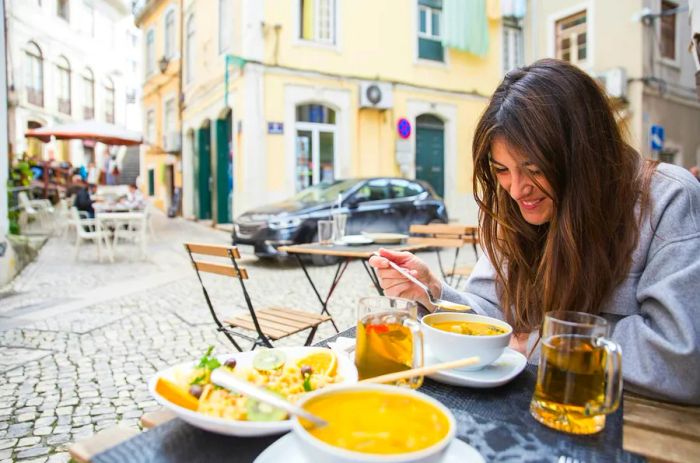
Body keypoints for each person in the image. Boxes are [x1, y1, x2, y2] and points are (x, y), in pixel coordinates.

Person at [370, 59, 700, 405]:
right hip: (528, 407)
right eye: (501, 170)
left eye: (535, 168)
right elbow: (492, 314)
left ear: (584, 154)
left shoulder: (669, 199)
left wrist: (539, 344)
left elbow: (680, 358)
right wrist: (433, 293)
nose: (516, 189)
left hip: (632, 421)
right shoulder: (515, 209)